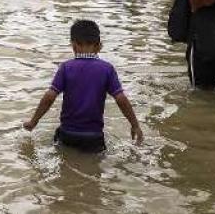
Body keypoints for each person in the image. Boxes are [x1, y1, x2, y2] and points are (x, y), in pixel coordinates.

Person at [23, 19, 144, 152]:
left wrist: (34, 121)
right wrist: (135, 125)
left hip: (67, 134)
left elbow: (50, 96)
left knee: (63, 158)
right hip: (94, 137)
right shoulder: (107, 69)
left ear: (73, 46)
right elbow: (121, 99)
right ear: (99, 46)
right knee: (96, 163)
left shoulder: (66, 67)